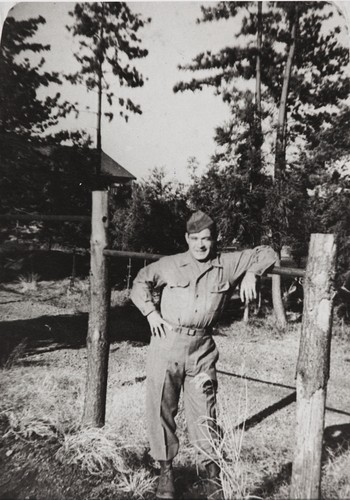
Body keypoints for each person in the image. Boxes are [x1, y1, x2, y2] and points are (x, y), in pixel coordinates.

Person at [130, 210, 277, 499]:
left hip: (202, 349)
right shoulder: (171, 264)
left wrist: (251, 273)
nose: (200, 245)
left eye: (206, 239)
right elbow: (140, 282)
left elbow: (268, 252)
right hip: (167, 343)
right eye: (195, 239)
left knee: (205, 413)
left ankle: (212, 477)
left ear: (214, 239)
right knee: (161, 408)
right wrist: (150, 313)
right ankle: (166, 473)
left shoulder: (227, 264)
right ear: (187, 238)